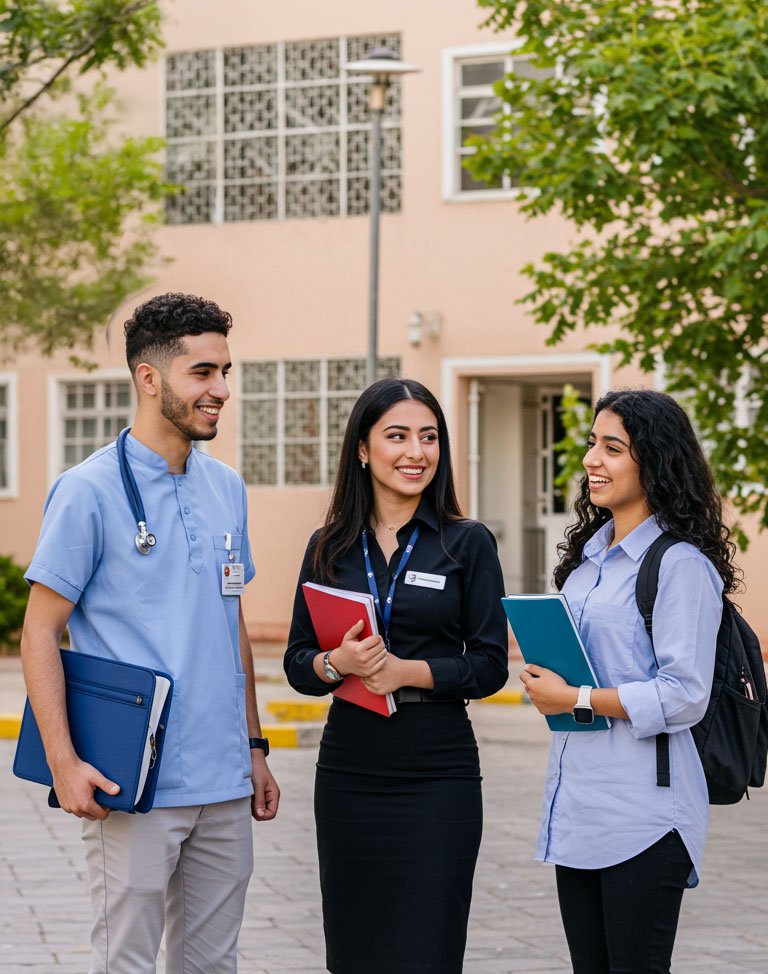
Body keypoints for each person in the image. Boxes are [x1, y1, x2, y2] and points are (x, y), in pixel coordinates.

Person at [20, 292, 280, 974]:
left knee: (211, 964)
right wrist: (63, 761)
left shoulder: (226, 486)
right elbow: (39, 632)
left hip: (223, 780)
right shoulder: (88, 491)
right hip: (134, 782)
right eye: (203, 373)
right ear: (149, 378)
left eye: (226, 371)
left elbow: (232, 624)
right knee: (126, 962)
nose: (221, 390)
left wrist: (254, 747)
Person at [284, 377, 509, 974]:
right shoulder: (328, 545)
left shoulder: (468, 543)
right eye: (398, 436)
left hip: (439, 771)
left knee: (429, 951)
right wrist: (339, 664)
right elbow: (297, 663)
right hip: (349, 771)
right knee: (355, 950)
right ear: (362, 448)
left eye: (429, 437)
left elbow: (489, 666)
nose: (417, 452)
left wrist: (406, 670)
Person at [520, 389, 738, 974]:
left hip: (645, 816)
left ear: (656, 461)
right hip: (579, 810)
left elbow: (684, 694)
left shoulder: (681, 565)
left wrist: (578, 698)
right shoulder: (586, 562)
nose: (592, 458)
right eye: (593, 443)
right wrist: (548, 683)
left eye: (612, 447)